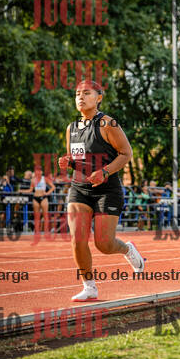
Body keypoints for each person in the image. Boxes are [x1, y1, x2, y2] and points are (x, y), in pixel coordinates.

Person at [58, 80, 145, 301]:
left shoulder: (107, 123)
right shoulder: (71, 128)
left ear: (99, 98)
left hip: (107, 190)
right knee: (78, 239)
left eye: (87, 93)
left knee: (104, 244)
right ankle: (89, 287)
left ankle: (127, 249)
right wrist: (68, 161)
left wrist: (105, 172)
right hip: (79, 189)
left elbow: (126, 153)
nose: (80, 97)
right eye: (77, 93)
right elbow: (77, 158)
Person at [24, 165, 56, 235]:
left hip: (43, 198)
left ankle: (46, 231)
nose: (38, 172)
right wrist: (21, 191)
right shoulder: (33, 180)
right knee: (37, 216)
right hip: (35, 198)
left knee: (45, 216)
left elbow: (53, 187)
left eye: (39, 171)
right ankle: (37, 231)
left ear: (41, 172)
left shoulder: (44, 179)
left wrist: (47, 193)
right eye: (36, 171)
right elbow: (30, 190)